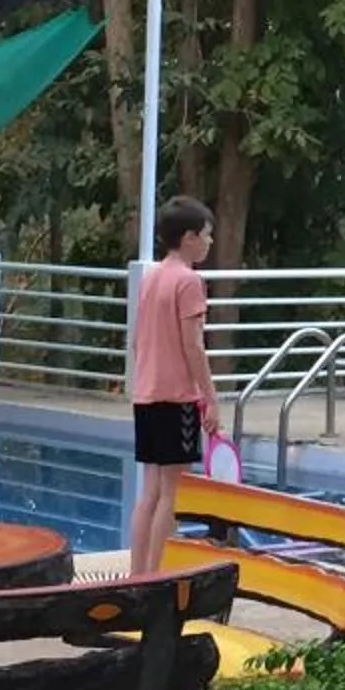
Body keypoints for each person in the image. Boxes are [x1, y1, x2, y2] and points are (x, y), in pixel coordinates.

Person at [127, 197, 219, 576]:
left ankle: (138, 574)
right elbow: (193, 345)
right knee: (171, 492)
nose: (210, 243)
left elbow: (136, 341)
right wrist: (210, 399)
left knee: (149, 491)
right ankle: (157, 576)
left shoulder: (152, 277)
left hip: (146, 395)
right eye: (207, 236)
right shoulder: (189, 281)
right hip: (176, 397)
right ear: (189, 237)